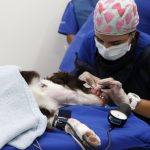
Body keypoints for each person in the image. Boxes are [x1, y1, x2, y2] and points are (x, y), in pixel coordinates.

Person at [59, 0, 150, 124]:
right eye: (100, 40)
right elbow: (76, 79)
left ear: (132, 34)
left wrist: (129, 102)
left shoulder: (146, 52)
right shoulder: (89, 41)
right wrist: (82, 81)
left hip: (142, 124)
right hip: (101, 118)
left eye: (115, 43)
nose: (106, 48)